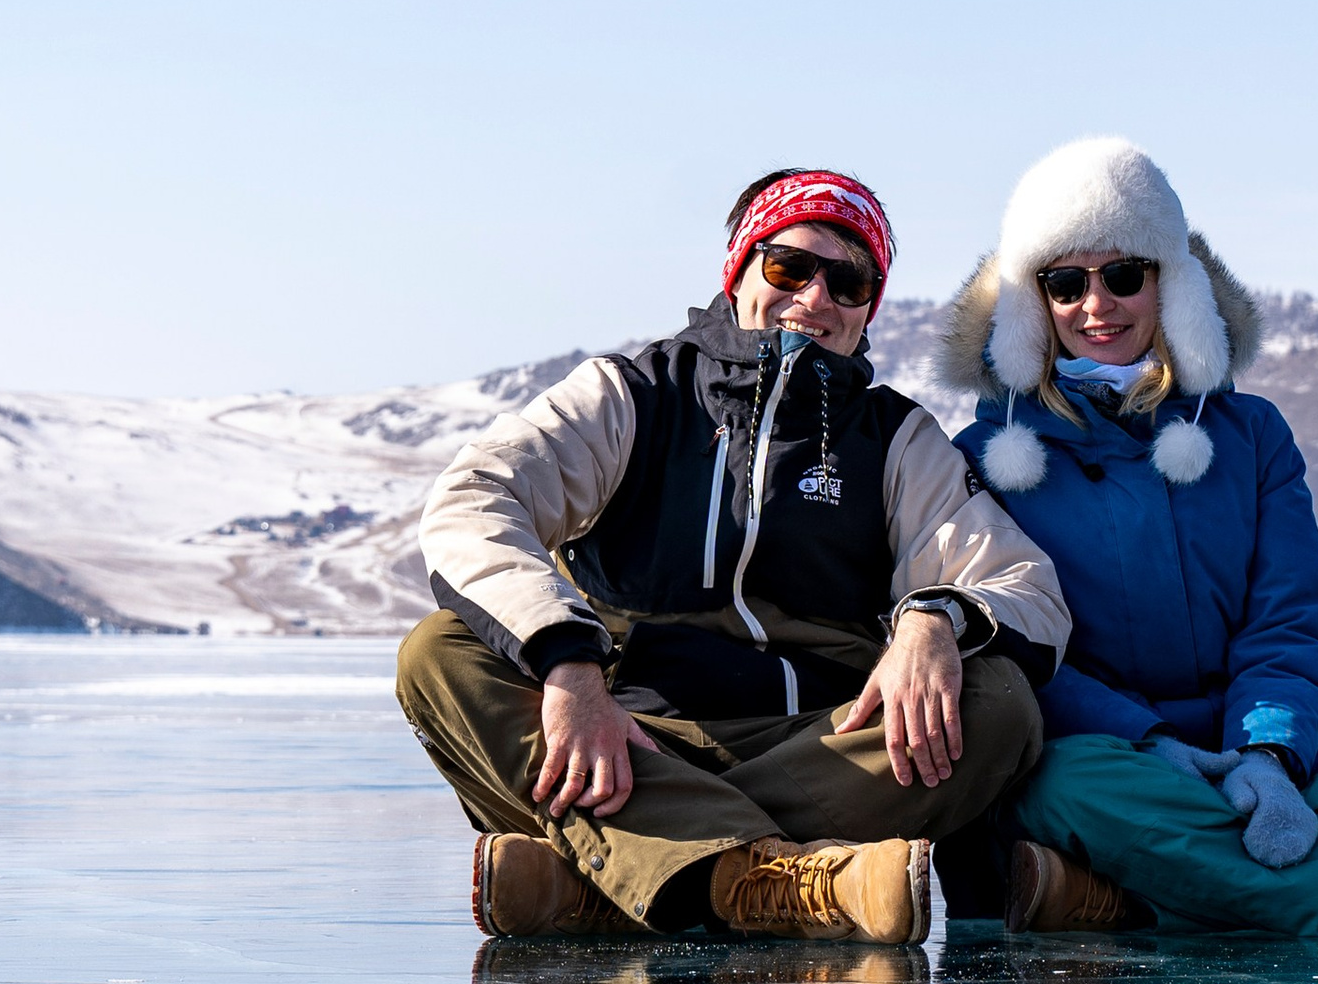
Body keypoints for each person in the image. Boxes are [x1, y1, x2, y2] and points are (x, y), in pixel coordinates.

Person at [401, 167, 1070, 943]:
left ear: (868, 309)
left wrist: (934, 619)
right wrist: (568, 664)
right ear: (740, 270)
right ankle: (773, 880)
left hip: (821, 744)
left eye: (848, 282)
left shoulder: (893, 437)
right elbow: (474, 499)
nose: (814, 298)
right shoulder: (633, 395)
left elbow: (1023, 585)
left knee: (998, 703)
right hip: (629, 733)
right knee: (438, 654)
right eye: (788, 267)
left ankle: (624, 871)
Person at [942, 134, 1318, 939]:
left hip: (1260, 754)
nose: (1096, 306)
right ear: (1035, 303)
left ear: (1171, 285)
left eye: (1123, 275)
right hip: (1113, 759)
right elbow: (1020, 651)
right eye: (1066, 283)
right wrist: (1156, 745)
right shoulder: (988, 458)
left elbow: (1289, 622)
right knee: (1067, 788)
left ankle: (1127, 893)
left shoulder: (1251, 436)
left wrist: (1267, 759)